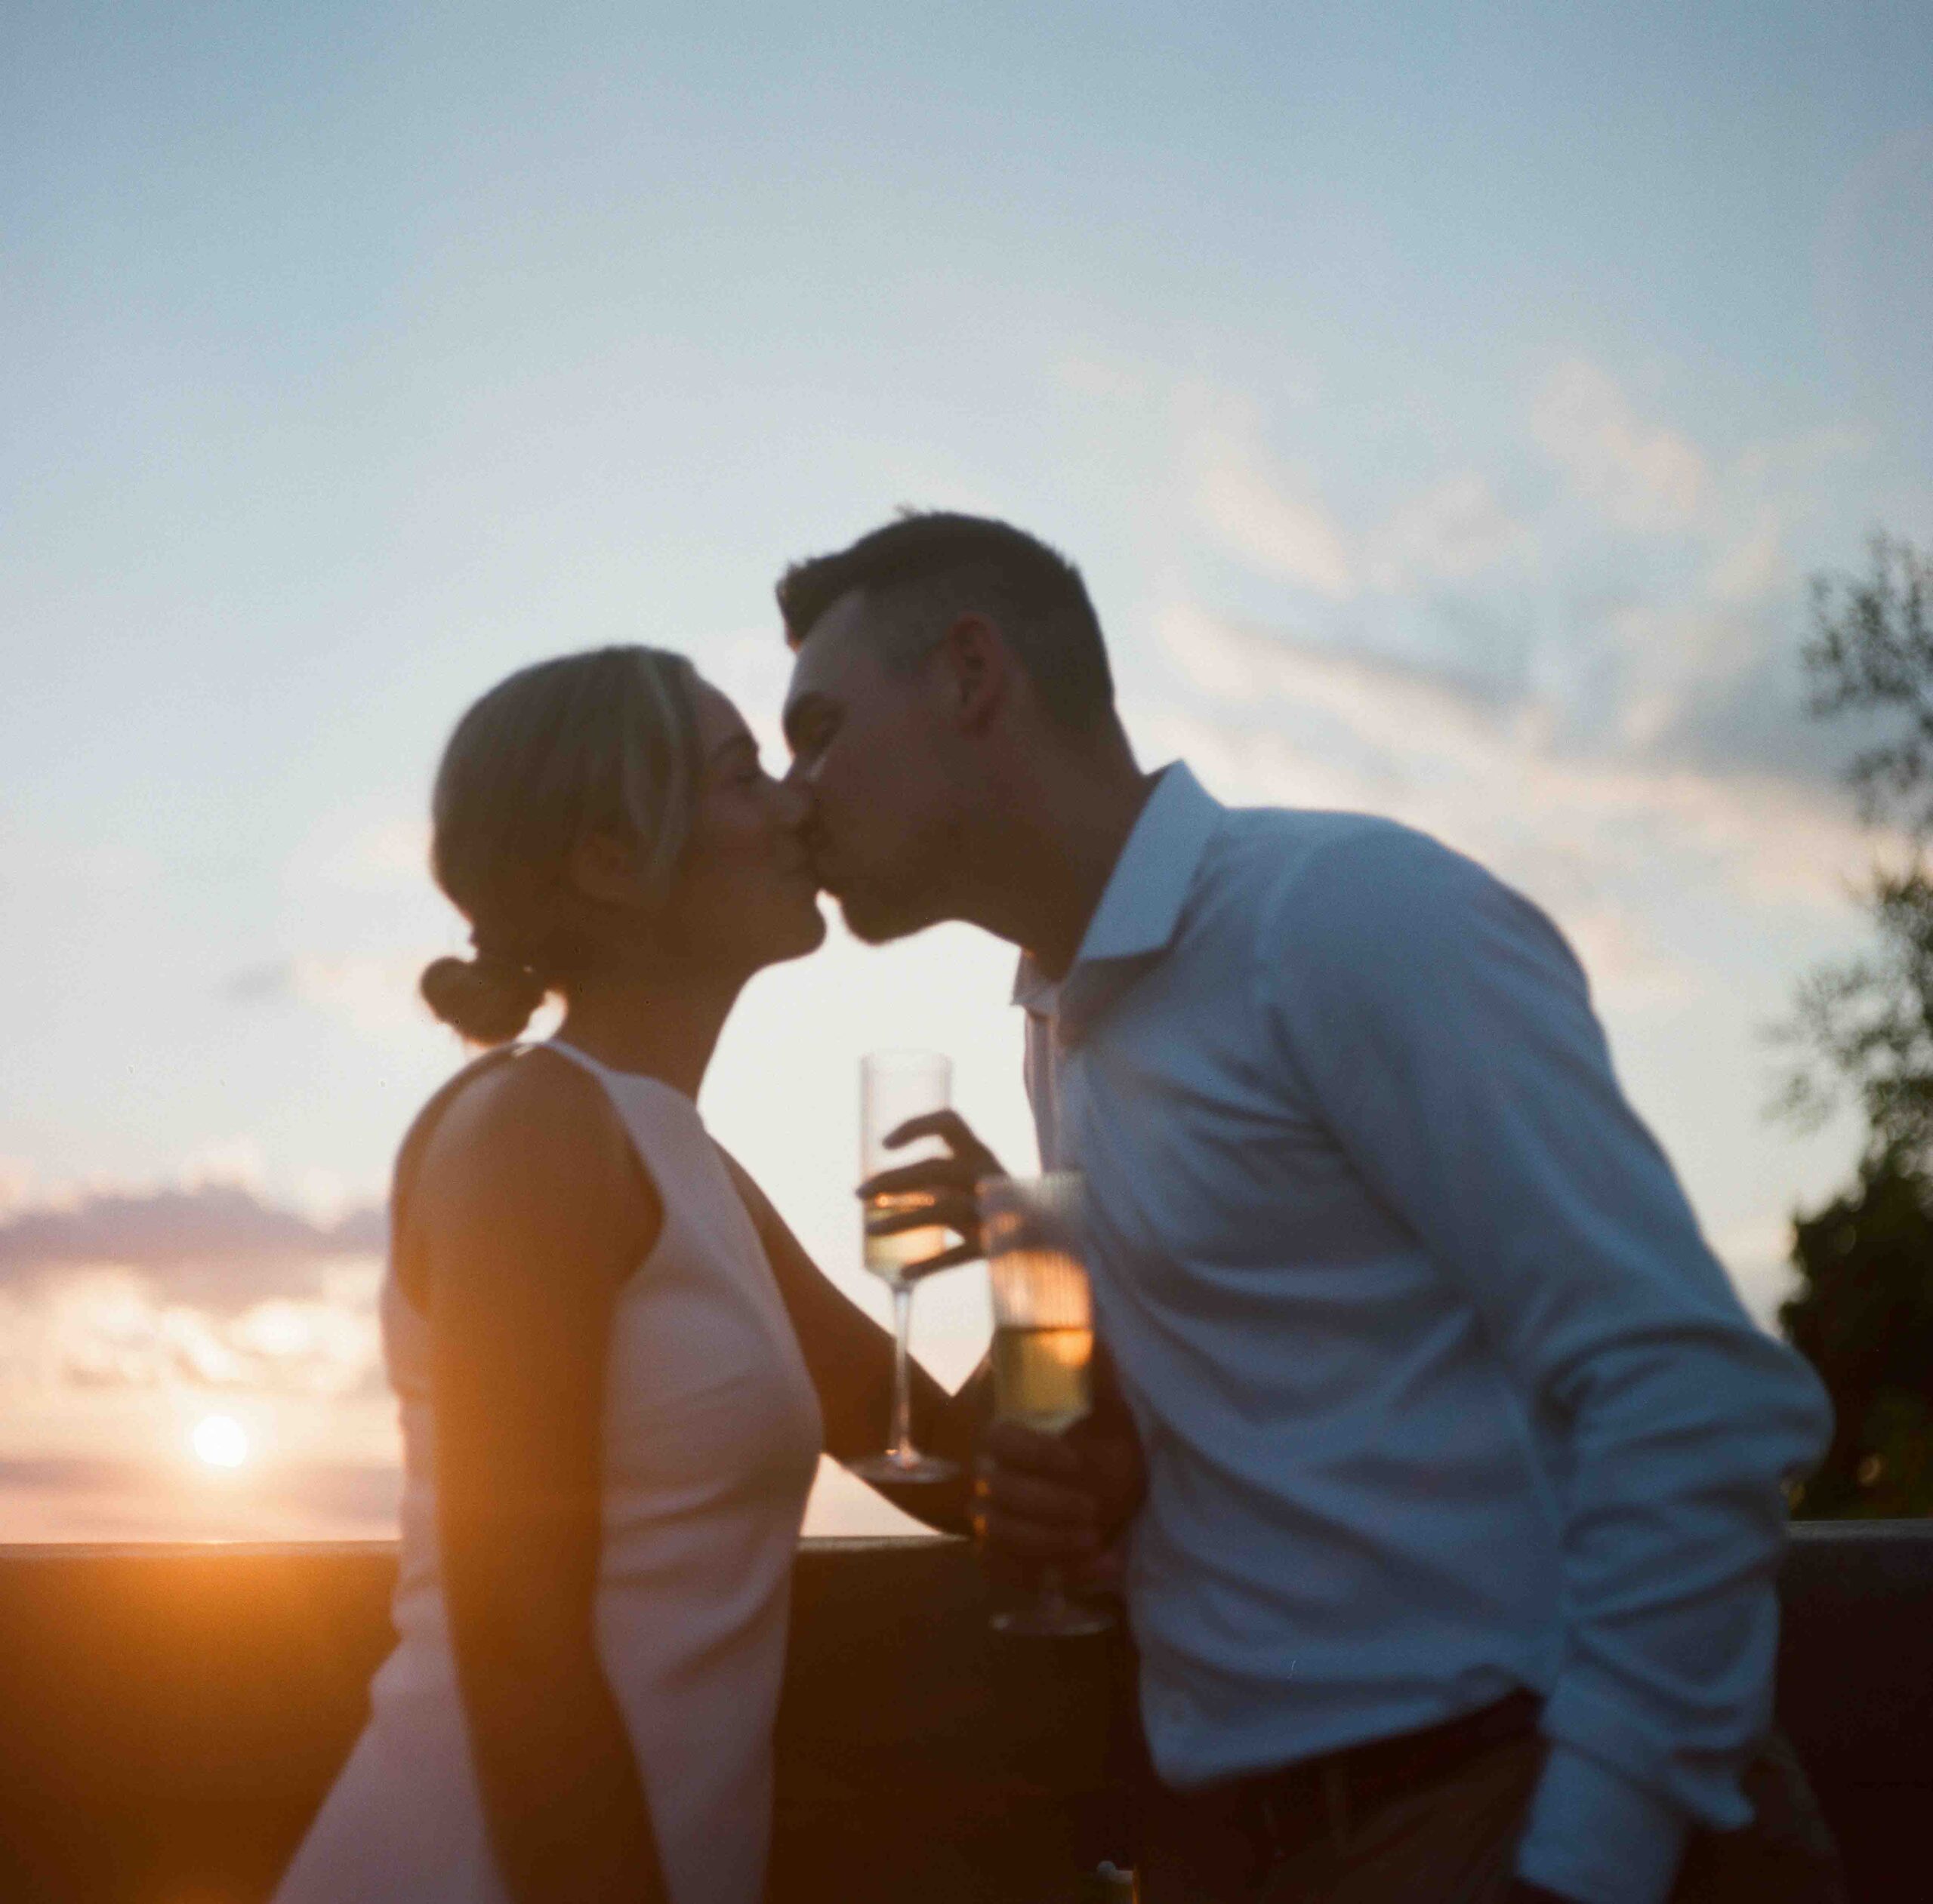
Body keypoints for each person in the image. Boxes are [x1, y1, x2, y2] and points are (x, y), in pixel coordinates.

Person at [776, 513, 1845, 1904]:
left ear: (973, 673)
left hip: (1510, 1812)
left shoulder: (1339, 914)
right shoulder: (1063, 1022)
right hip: (1263, 1849)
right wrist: (1103, 1491)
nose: (797, 794)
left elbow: (1687, 1392)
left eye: (819, 730)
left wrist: (1585, 1858)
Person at [274, 645, 979, 1904]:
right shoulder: (531, 1132)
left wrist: (1044, 1235)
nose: (795, 802)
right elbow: (515, 1639)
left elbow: (951, 1468)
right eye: (740, 773)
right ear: (611, 856)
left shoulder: (688, 1160)